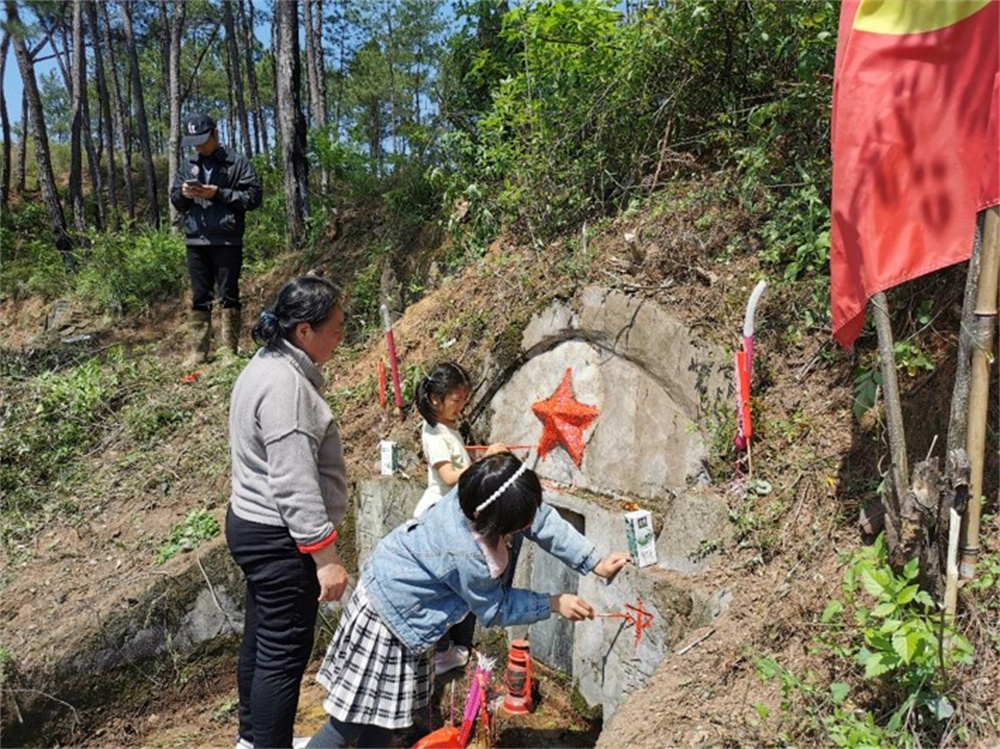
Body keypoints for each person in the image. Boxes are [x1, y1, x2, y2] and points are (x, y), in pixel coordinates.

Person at [306, 452, 632, 749]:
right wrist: (552, 602)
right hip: (389, 620)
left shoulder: (484, 490)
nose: (528, 526)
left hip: (400, 606)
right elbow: (494, 609)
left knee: (386, 717)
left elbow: (540, 518)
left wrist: (593, 562)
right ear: (493, 522)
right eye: (519, 525)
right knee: (347, 724)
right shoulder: (469, 554)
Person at [226, 275, 350, 749]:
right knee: (283, 655)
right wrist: (326, 556)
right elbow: (294, 480)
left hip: (253, 523)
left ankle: (253, 740)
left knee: (261, 640)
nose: (341, 337)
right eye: (335, 328)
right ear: (304, 331)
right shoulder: (287, 387)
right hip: (282, 537)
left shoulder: (265, 364)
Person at [412, 362, 504, 676]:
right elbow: (450, 476)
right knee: (445, 586)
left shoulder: (447, 428)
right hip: (439, 515)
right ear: (436, 399)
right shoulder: (435, 432)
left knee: (448, 585)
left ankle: (442, 649)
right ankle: (441, 651)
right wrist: (487, 463)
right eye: (457, 400)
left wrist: (479, 457)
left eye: (464, 400)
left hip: (451, 513)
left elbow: (459, 463)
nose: (461, 406)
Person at [169, 112, 262, 365]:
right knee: (200, 295)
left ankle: (228, 351)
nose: (199, 146)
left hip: (227, 240)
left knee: (228, 294)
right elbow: (175, 200)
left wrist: (218, 193)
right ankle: (198, 352)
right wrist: (185, 193)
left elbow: (253, 198)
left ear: (215, 133)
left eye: (203, 139)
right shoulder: (188, 165)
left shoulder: (237, 163)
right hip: (196, 240)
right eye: (194, 141)